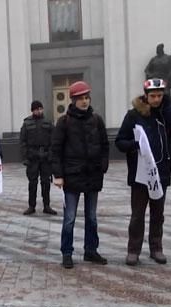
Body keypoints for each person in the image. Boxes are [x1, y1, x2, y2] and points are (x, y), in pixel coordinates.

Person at [115, 79, 171, 266]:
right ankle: (133, 250)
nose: (156, 99)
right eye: (153, 96)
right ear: (145, 96)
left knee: (158, 214)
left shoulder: (164, 114)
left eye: (160, 96)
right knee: (137, 215)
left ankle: (156, 248)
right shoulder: (134, 115)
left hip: (161, 173)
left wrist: (168, 109)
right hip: (140, 174)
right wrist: (134, 145)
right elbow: (120, 141)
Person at [51, 81, 109, 269]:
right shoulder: (64, 122)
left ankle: (90, 250)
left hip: (93, 174)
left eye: (86, 97)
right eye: (80, 98)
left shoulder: (97, 120)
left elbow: (104, 144)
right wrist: (58, 175)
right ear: (73, 100)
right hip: (72, 175)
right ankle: (67, 252)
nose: (84, 101)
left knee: (91, 217)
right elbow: (56, 150)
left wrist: (103, 164)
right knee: (70, 218)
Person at [20, 100, 57, 216]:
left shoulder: (48, 122)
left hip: (46, 157)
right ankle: (31, 206)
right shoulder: (26, 123)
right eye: (36, 109)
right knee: (32, 183)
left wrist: (51, 155)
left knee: (46, 182)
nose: (39, 111)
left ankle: (47, 205)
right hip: (32, 157)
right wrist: (25, 158)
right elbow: (22, 142)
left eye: (40, 108)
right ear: (32, 110)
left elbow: (54, 140)